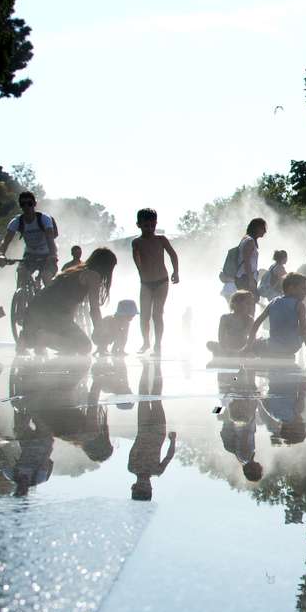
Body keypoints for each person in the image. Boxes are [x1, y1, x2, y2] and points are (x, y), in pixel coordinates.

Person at [18, 248, 118, 355]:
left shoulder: (75, 270)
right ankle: (39, 339)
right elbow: (94, 309)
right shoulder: (93, 276)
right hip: (53, 313)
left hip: (37, 309)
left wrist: (68, 328)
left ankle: (29, 337)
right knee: (85, 347)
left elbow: (68, 303)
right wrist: (99, 331)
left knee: (72, 345)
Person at [131, 208, 179, 356]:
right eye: (146, 226)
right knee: (144, 315)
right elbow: (136, 260)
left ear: (156, 223)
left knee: (157, 314)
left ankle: (158, 344)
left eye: (152, 225)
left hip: (161, 281)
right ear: (138, 225)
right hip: (145, 282)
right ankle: (146, 342)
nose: (150, 229)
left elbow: (173, 254)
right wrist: (140, 272)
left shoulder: (161, 239)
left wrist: (176, 272)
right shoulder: (137, 242)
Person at [129, 362, 176, 501]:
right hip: (154, 431)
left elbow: (135, 447)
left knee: (144, 397)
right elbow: (169, 455)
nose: (145, 484)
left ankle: (146, 366)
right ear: (150, 487)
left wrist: (171, 441)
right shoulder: (155, 471)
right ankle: (155, 365)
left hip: (147, 429)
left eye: (141, 486)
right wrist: (172, 440)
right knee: (156, 398)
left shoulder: (133, 467)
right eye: (147, 487)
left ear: (134, 486)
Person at [246, 273, 306, 361]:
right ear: (291, 288)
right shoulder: (299, 305)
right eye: (303, 289)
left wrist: (248, 346)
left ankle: (252, 351)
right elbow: (304, 330)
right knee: (302, 327)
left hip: (273, 347)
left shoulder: (273, 302)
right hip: (292, 347)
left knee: (258, 342)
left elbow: (257, 323)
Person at [0, 190, 60, 290]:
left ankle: (51, 303)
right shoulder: (17, 221)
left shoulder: (44, 219)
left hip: (47, 253)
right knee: (21, 273)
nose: (26, 207)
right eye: (23, 204)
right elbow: (5, 241)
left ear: (34, 204)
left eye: (29, 204)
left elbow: (50, 239)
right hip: (30, 254)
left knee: (46, 277)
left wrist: (53, 255)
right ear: (20, 206)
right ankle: (21, 296)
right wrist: (1, 254)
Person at [208, 290, 254, 357]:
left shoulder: (249, 319)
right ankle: (225, 353)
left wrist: (245, 348)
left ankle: (233, 353)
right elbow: (220, 336)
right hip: (227, 346)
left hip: (241, 346)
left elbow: (251, 337)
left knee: (256, 346)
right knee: (209, 344)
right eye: (237, 303)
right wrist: (223, 347)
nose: (240, 305)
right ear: (233, 304)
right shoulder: (225, 318)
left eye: (246, 303)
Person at [230, 218, 266, 298]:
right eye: (263, 228)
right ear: (256, 228)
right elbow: (247, 262)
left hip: (244, 277)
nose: (265, 231)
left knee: (249, 301)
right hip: (245, 278)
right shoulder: (250, 241)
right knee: (250, 301)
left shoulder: (246, 239)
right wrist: (250, 280)